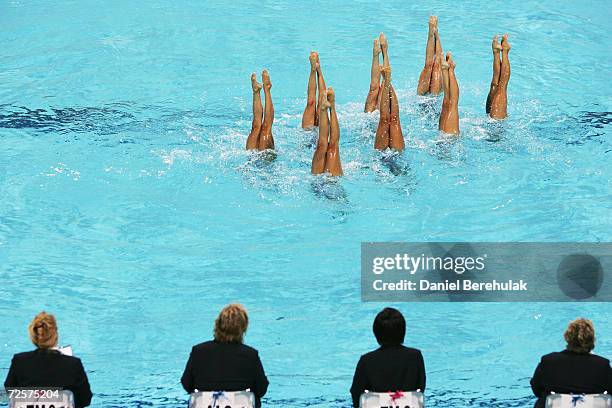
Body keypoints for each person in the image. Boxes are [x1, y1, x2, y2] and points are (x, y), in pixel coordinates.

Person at [181, 304, 268, 408]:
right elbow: (261, 389)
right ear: (243, 329)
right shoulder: (250, 355)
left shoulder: (198, 351)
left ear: (217, 325)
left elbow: (186, 383)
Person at [4, 312, 92, 408]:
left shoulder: (19, 361)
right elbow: (85, 400)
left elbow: (9, 392)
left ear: (33, 336)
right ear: (55, 335)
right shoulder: (73, 364)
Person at [350, 308, 426, 408]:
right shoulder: (415, 356)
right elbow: (420, 387)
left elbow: (356, 391)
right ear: (403, 332)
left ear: (376, 333)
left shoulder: (367, 360)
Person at [530, 318, 612, 408]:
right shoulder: (602, 365)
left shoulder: (549, 361)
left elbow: (536, 389)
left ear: (567, 338)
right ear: (592, 340)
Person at [374, 33, 405, 151]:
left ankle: (387, 81)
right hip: (395, 157)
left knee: (386, 120)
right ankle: (387, 81)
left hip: (381, 156)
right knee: (392, 120)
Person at [311, 87, 343, 176]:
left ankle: (324, 109)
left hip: (318, 181)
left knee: (322, 145)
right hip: (332, 181)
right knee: (332, 147)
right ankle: (331, 106)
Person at [246, 70, 275, 151]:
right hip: (257, 158)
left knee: (264, 128)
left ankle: (265, 90)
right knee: (257, 126)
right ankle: (257, 91)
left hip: (259, 158)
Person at [417, 16, 444, 96]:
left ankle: (432, 33)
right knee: (435, 65)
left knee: (430, 66)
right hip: (432, 98)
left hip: (422, 98)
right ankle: (434, 33)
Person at [486, 34, 511, 120]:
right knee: (501, 87)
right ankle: (502, 52)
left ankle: (498, 52)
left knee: (496, 86)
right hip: (494, 122)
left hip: (494, 124)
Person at [302, 51, 326, 129]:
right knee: (317, 102)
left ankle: (316, 69)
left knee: (314, 103)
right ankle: (315, 69)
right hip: (315, 134)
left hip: (308, 133)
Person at [438, 52, 460, 135]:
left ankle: (448, 69)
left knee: (449, 103)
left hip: (445, 139)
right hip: (445, 137)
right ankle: (448, 70)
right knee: (449, 103)